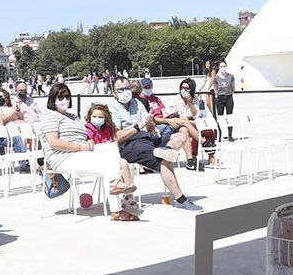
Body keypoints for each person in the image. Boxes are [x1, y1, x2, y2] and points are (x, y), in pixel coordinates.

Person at [40, 83, 140, 220]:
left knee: (110, 147)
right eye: (60, 97)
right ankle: (116, 208)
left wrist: (89, 142)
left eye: (67, 96)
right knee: (109, 166)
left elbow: (83, 136)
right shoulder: (50, 116)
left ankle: (115, 189)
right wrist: (80, 147)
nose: (64, 100)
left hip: (82, 153)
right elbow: (54, 142)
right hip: (63, 157)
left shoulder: (73, 117)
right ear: (53, 99)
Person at [107, 76, 202, 211]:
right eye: (121, 89)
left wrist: (151, 123)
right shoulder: (112, 108)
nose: (125, 92)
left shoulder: (137, 103)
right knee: (164, 160)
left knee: (181, 134)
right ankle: (180, 199)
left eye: (127, 88)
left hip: (147, 138)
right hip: (129, 145)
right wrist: (137, 127)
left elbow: (150, 128)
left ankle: (166, 148)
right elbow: (117, 137)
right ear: (113, 92)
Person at [212, 61, 237, 140]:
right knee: (219, 117)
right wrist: (218, 94)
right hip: (220, 98)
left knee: (230, 116)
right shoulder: (216, 77)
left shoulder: (231, 76)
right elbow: (215, 88)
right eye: (221, 66)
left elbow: (233, 87)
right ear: (219, 68)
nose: (223, 68)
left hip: (229, 98)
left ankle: (230, 135)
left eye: (224, 66)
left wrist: (230, 93)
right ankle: (217, 133)